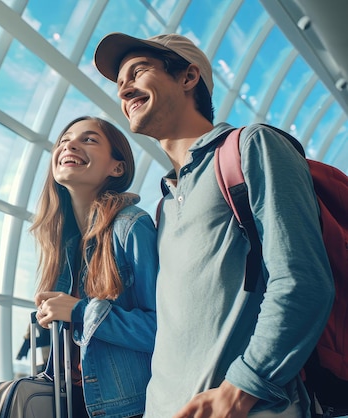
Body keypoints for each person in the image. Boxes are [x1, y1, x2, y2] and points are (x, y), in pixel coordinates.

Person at [93, 33, 335, 418]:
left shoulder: (250, 147)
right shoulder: (164, 208)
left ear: (188, 78)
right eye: (119, 83)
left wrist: (242, 388)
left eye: (137, 71)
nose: (123, 88)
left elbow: (302, 279)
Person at [31, 116, 158, 417]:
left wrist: (78, 311)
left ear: (117, 167)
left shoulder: (131, 227)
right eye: (64, 140)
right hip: (74, 403)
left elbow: (162, 330)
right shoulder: (61, 243)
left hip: (128, 409)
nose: (69, 144)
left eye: (89, 139)